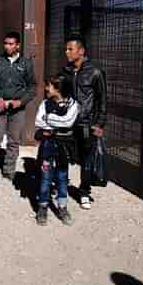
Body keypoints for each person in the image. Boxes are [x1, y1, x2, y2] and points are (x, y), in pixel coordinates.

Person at [61, 34, 107, 210]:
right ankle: (62, 187)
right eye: (66, 49)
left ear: (81, 51)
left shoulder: (95, 72)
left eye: (70, 49)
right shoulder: (65, 71)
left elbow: (102, 100)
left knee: (87, 160)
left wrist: (100, 124)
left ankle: (84, 191)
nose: (66, 52)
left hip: (87, 123)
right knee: (63, 156)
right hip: (67, 123)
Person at [0, 31, 37, 181]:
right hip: (0, 106)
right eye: (5, 43)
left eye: (11, 44)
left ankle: (9, 170)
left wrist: (20, 102)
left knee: (13, 140)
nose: (7, 46)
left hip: (18, 108)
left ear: (18, 45)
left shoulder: (26, 63)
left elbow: (32, 87)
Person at [34, 75, 79, 226]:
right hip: (48, 147)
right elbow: (38, 121)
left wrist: (50, 119)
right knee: (45, 178)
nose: (46, 88)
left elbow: (68, 122)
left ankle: (62, 207)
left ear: (58, 89)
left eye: (49, 86)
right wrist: (55, 126)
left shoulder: (72, 104)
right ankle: (43, 207)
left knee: (62, 178)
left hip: (64, 149)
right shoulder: (45, 103)